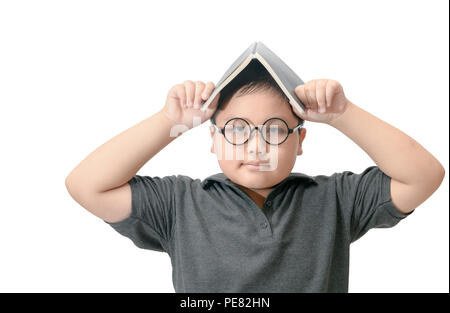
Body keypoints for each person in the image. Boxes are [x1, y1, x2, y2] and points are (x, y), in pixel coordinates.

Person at [65, 61, 445, 292]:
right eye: (237, 128)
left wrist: (342, 113)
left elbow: (424, 175)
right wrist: (172, 122)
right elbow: (86, 185)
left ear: (300, 141)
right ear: (212, 139)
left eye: (276, 129)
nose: (256, 145)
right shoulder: (178, 204)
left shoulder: (337, 199)